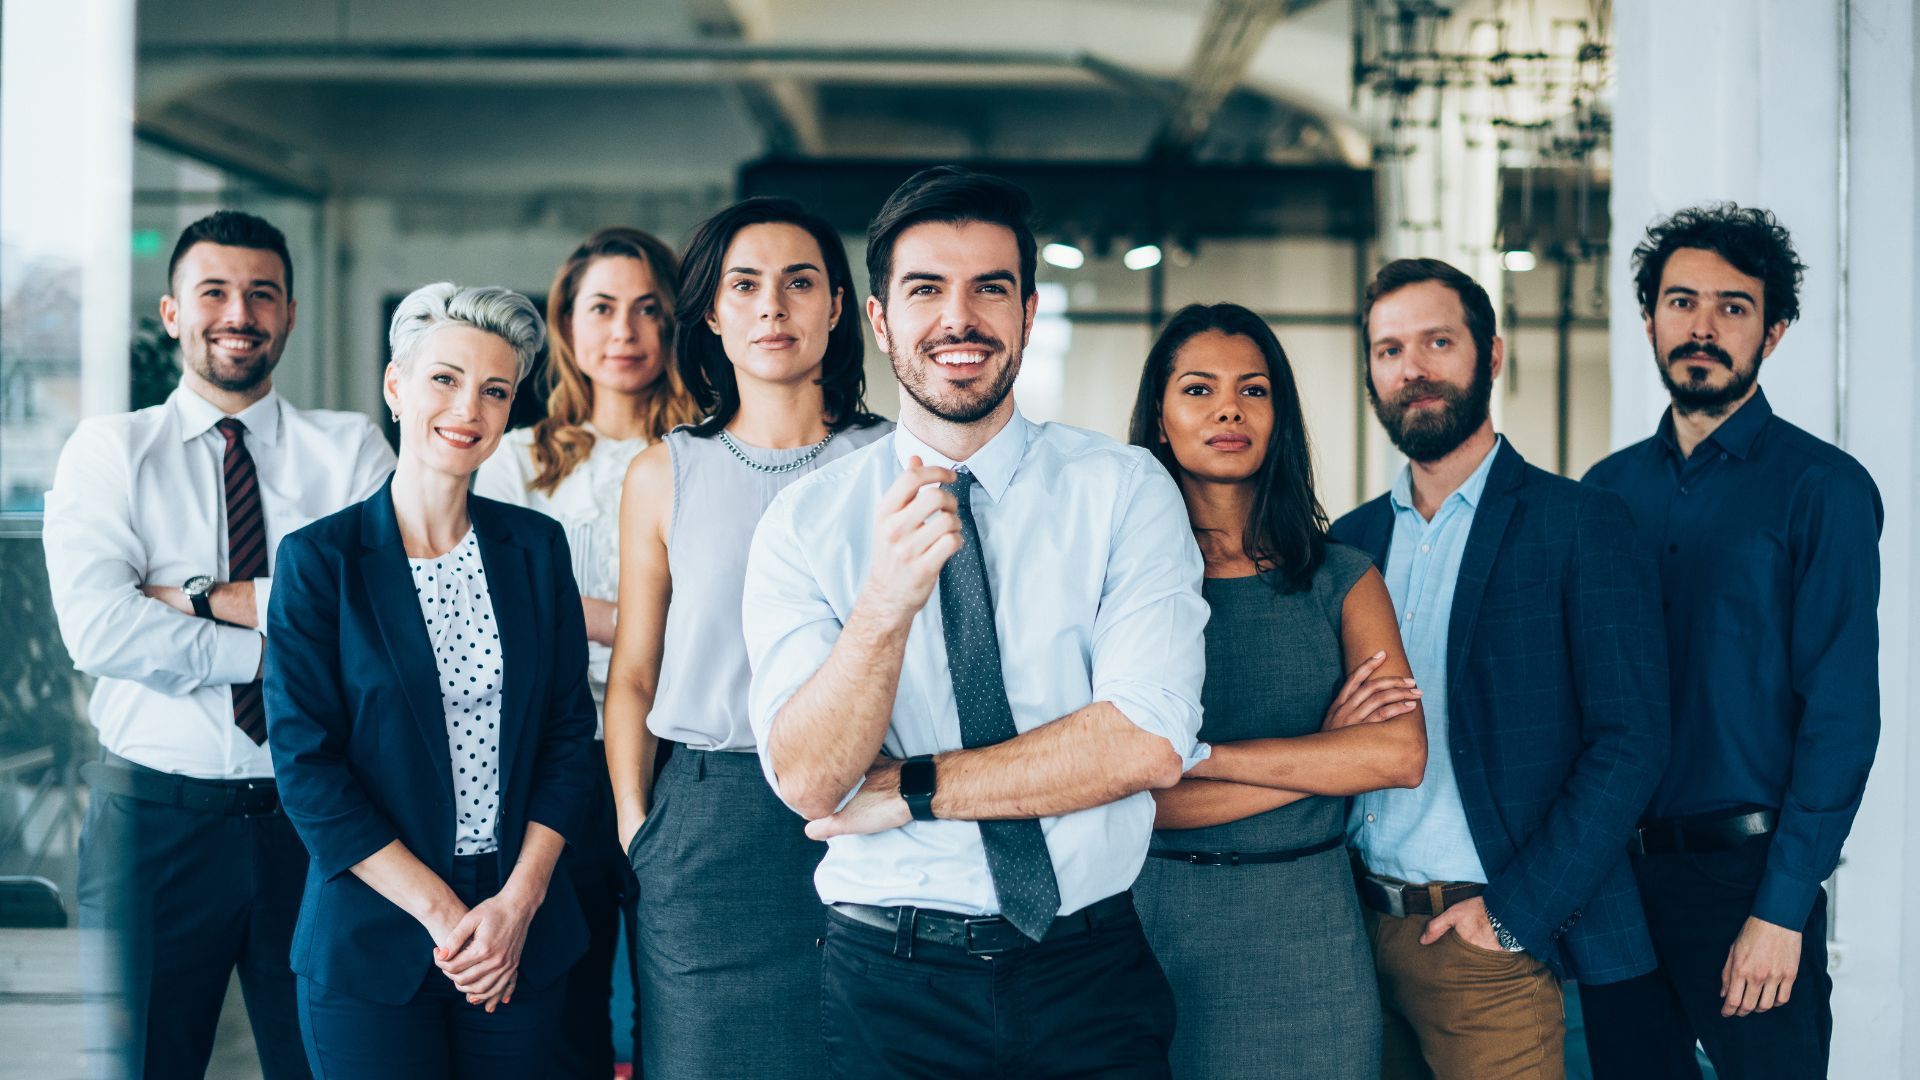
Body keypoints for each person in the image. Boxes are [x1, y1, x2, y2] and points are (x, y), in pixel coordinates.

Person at [742, 165, 1208, 1079]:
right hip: (891, 983)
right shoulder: (805, 523)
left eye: (989, 289)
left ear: (1028, 313)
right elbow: (808, 780)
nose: (959, 319)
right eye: (925, 290)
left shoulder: (1124, 490)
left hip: (1089, 971)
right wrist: (883, 607)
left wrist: (914, 788)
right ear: (879, 321)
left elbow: (1147, 742)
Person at [43, 210, 393, 1080]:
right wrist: (283, 652)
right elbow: (100, 628)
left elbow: (384, 624)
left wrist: (197, 599)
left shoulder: (349, 451)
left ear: (290, 314)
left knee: (330, 1066)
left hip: (319, 824)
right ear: (172, 313)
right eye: (214, 292)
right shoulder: (111, 450)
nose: (239, 313)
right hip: (151, 828)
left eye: (262, 293)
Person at [1330, 257, 1670, 1080]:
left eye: (1438, 342)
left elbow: (1631, 740)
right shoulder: (1347, 543)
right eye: (1389, 350)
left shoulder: (1580, 523)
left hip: (1486, 946)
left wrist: (1514, 916)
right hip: (1355, 939)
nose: (1412, 368)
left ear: (1492, 355)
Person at [262, 283, 597, 1078]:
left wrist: (515, 908)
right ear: (396, 385)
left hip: (519, 925)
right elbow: (308, 771)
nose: (467, 409)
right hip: (372, 933)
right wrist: (449, 917)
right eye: (444, 379)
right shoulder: (318, 561)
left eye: (494, 390)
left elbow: (566, 738)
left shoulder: (537, 548)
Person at [1579, 205, 1882, 1080]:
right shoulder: (1603, 494)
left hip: (1748, 881)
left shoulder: (1822, 489)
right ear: (1648, 321)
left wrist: (1783, 908)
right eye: (1681, 302)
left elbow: (1841, 717)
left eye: (1733, 306)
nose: (1702, 327)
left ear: (1772, 332)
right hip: (1616, 885)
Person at [602, 196, 890, 1078]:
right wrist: (638, 829)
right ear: (712, 314)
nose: (773, 307)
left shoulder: (895, 462)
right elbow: (635, 674)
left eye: (799, 283)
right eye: (745, 286)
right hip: (706, 819)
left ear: (837, 307)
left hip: (868, 806)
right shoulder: (663, 473)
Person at [1126, 302, 1426, 1080]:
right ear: (1159, 418)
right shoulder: (1119, 587)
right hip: (1156, 931)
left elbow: (1398, 755)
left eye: (1253, 390)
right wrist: (1327, 756)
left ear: (1278, 416)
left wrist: (1201, 759)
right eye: (1199, 389)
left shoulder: (1344, 577)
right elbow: (1129, 800)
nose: (1228, 409)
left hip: (1312, 940)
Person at [471, 226, 699, 1076]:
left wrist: (574, 613)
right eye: (601, 308)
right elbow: (489, 607)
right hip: (554, 755)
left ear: (675, 324)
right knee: (565, 1001)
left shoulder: (706, 457)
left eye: (648, 309)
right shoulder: (513, 460)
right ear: (566, 323)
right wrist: (641, 620)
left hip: (678, 750)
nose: (624, 332)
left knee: (679, 993)